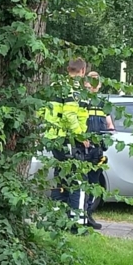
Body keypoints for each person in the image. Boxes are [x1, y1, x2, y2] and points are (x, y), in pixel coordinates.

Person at [42, 59, 90, 225]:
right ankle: (77, 223)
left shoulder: (55, 85)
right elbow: (70, 115)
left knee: (60, 177)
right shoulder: (74, 89)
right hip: (68, 138)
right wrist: (81, 136)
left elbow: (44, 111)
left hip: (53, 137)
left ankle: (58, 219)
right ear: (82, 71)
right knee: (78, 180)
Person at [82, 72, 115, 229]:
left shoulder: (103, 103)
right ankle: (79, 215)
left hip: (97, 149)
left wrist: (108, 134)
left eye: (94, 84)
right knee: (80, 183)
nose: (91, 87)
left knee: (93, 182)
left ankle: (88, 214)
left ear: (99, 85)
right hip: (82, 148)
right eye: (89, 83)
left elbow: (110, 125)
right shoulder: (81, 100)